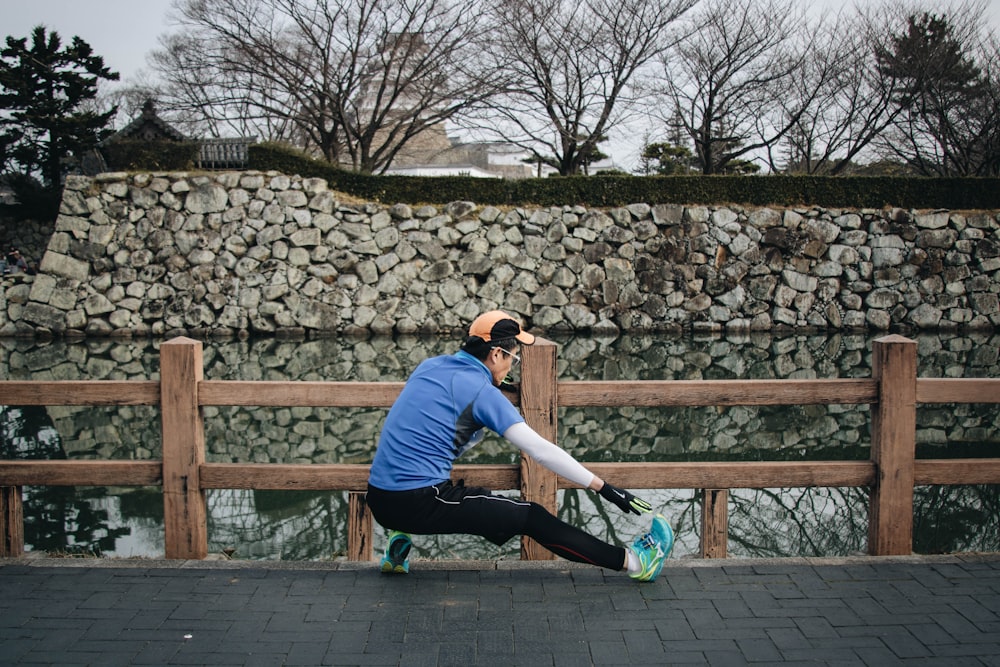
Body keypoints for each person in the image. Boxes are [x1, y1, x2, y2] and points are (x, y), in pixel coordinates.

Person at [366, 310, 674, 582]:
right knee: (530, 516)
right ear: (496, 354)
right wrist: (604, 488)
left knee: (456, 490)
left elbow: (419, 424)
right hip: (418, 501)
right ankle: (636, 563)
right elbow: (540, 450)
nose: (513, 367)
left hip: (379, 499)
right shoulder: (482, 393)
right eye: (514, 358)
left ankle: (397, 545)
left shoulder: (429, 366)